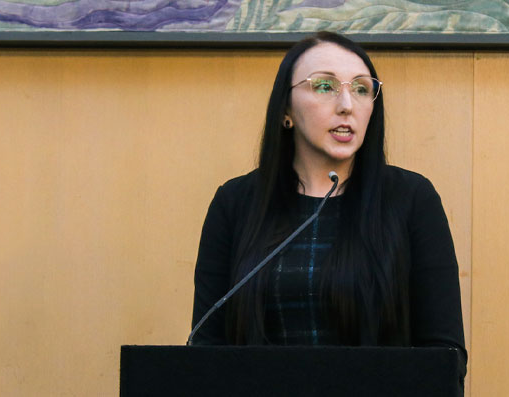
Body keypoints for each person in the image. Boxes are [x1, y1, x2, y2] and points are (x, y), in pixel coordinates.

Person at [190, 31, 466, 374]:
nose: (347, 105)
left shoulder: (411, 199)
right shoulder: (235, 203)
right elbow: (205, 347)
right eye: (325, 86)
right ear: (286, 110)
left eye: (362, 88)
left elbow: (445, 352)